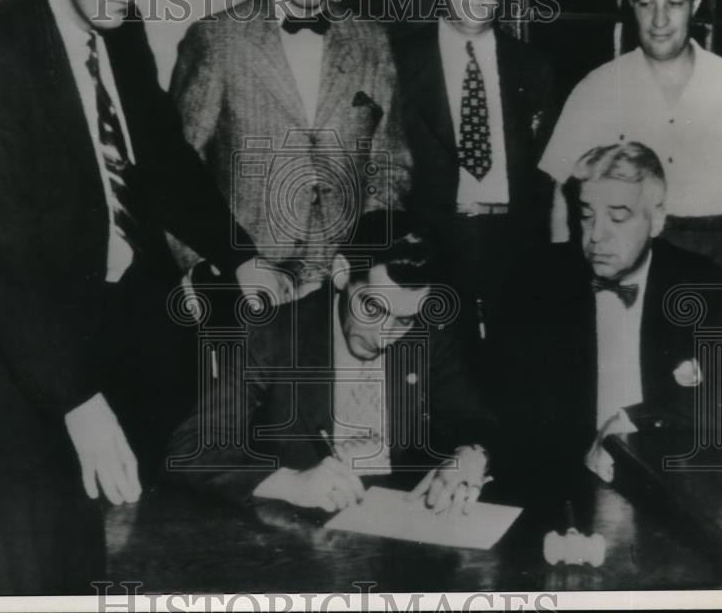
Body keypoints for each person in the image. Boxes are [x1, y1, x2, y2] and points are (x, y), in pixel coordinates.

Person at [0, 0, 281, 594]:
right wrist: (73, 399)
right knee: (43, 572)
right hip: (35, 366)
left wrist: (237, 252)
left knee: (144, 557)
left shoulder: (120, 28)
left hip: (134, 341)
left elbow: (166, 160)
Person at [169, 0, 411, 296]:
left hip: (343, 290)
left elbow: (390, 165)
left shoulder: (371, 41)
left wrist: (359, 258)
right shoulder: (218, 39)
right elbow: (176, 173)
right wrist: (209, 274)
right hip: (241, 285)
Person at [167, 210, 498, 514]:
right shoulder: (272, 334)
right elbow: (190, 450)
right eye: (372, 308)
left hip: (396, 527)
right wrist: (291, 482)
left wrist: (471, 454)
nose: (385, 337)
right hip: (295, 531)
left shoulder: (430, 333)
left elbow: (472, 418)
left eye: (404, 320)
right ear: (341, 274)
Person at [538, 0, 722, 358]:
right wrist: (567, 288)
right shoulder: (598, 86)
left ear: (695, 4)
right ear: (631, 4)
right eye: (647, 4)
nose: (660, 20)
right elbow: (563, 196)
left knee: (707, 402)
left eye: (675, 3)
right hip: (623, 259)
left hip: (713, 259)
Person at [494, 142, 722, 498]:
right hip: (562, 488)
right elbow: (507, 408)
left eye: (618, 216)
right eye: (586, 214)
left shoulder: (696, 281)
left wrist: (632, 421)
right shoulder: (535, 281)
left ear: (656, 219)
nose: (596, 235)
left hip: (664, 485)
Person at [392, 0, 556, 349]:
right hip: (427, 256)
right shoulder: (395, 64)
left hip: (516, 258)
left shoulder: (534, 70)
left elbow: (549, 186)